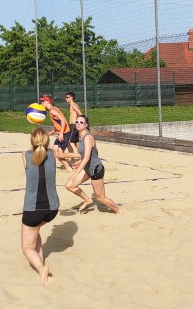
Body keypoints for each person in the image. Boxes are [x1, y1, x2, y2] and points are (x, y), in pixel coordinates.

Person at [20, 128, 60, 286]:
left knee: (26, 247)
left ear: (32, 142)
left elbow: (28, 156)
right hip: (52, 208)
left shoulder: (26, 155)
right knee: (35, 232)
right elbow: (46, 150)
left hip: (33, 209)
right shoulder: (53, 155)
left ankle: (41, 267)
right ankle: (40, 262)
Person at [64, 115, 121, 214]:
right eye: (77, 122)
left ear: (86, 125)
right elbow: (85, 156)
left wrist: (76, 173)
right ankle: (87, 200)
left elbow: (86, 158)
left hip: (95, 169)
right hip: (87, 169)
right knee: (69, 185)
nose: (78, 124)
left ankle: (118, 210)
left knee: (100, 198)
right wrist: (79, 162)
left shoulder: (88, 137)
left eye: (81, 122)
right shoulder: (80, 136)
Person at [39, 94, 73, 167]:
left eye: (43, 101)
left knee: (59, 153)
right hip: (63, 132)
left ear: (48, 102)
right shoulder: (53, 109)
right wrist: (54, 130)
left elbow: (63, 120)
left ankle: (80, 157)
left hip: (64, 133)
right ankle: (69, 165)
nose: (42, 103)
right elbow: (59, 122)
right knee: (55, 150)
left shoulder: (52, 111)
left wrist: (61, 134)